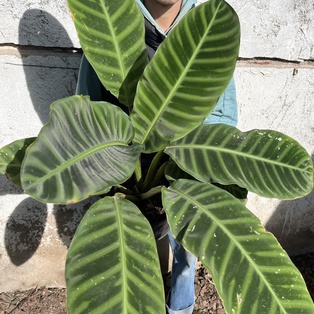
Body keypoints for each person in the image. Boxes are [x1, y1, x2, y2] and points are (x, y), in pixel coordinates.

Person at [76, 1, 238, 313]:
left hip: (184, 173)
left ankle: (180, 306)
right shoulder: (116, 22)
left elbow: (223, 114)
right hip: (127, 180)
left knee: (186, 252)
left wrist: (203, 167)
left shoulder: (205, 27)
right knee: (131, 258)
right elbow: (87, 108)